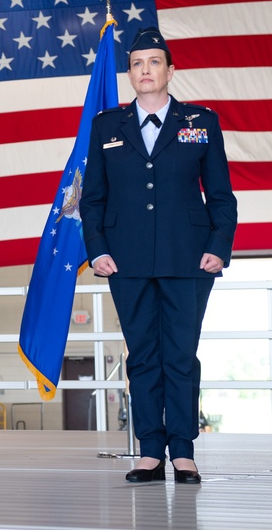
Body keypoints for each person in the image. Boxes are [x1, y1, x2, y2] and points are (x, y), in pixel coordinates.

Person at [80, 26, 237, 484]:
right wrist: (98, 251)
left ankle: (183, 451)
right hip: (124, 259)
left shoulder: (200, 122)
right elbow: (92, 198)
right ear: (128, 74)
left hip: (189, 257)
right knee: (143, 355)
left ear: (170, 70)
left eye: (153, 62)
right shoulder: (106, 125)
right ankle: (150, 449)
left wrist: (218, 247)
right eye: (135, 64)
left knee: (181, 355)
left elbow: (222, 195)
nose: (144, 70)